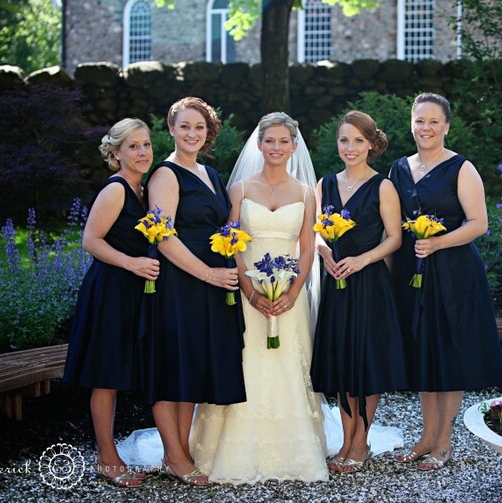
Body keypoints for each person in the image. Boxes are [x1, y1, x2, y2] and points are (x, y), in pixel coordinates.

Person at [189, 111, 329, 483]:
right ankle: (229, 450)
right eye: (270, 141)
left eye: (284, 141)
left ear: (294, 146)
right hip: (247, 291)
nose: (276, 148)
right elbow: (232, 241)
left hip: (289, 294)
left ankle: (295, 452)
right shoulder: (239, 190)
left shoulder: (305, 193)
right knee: (245, 361)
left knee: (288, 363)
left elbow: (306, 248)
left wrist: (293, 291)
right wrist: (250, 291)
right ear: (259, 144)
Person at [389, 92, 502, 470]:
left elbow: (479, 223)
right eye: (419, 121)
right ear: (411, 124)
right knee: (423, 353)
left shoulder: (461, 168)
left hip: (454, 272)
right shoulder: (399, 169)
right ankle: (426, 436)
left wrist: (438, 242)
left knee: (449, 354)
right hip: (412, 272)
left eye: (433, 121)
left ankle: (444, 441)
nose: (425, 128)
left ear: (446, 127)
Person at [145, 97, 246, 485]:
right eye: (185, 126)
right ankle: (174, 454)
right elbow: (163, 236)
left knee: (191, 367)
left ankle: (181, 451)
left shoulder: (211, 174)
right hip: (180, 283)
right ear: (171, 129)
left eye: (199, 127)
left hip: (210, 283)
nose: (192, 133)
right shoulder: (166, 175)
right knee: (172, 366)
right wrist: (208, 274)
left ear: (208, 132)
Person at [62, 118, 159, 488]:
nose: (142, 152)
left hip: (132, 290)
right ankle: (107, 459)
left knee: (118, 372)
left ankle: (110, 455)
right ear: (116, 153)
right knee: (106, 377)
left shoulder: (143, 189)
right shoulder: (116, 189)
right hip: (111, 290)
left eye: (146, 144)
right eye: (133, 146)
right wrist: (132, 263)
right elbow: (90, 240)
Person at [310, 110, 408, 474]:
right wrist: (324, 253)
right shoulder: (325, 184)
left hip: (368, 283)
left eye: (358, 141)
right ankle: (346, 440)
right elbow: (315, 232)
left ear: (371, 144)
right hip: (336, 282)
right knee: (341, 360)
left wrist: (362, 260)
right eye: (344, 140)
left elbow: (394, 238)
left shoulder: (383, 186)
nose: (350, 148)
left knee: (365, 362)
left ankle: (360, 442)